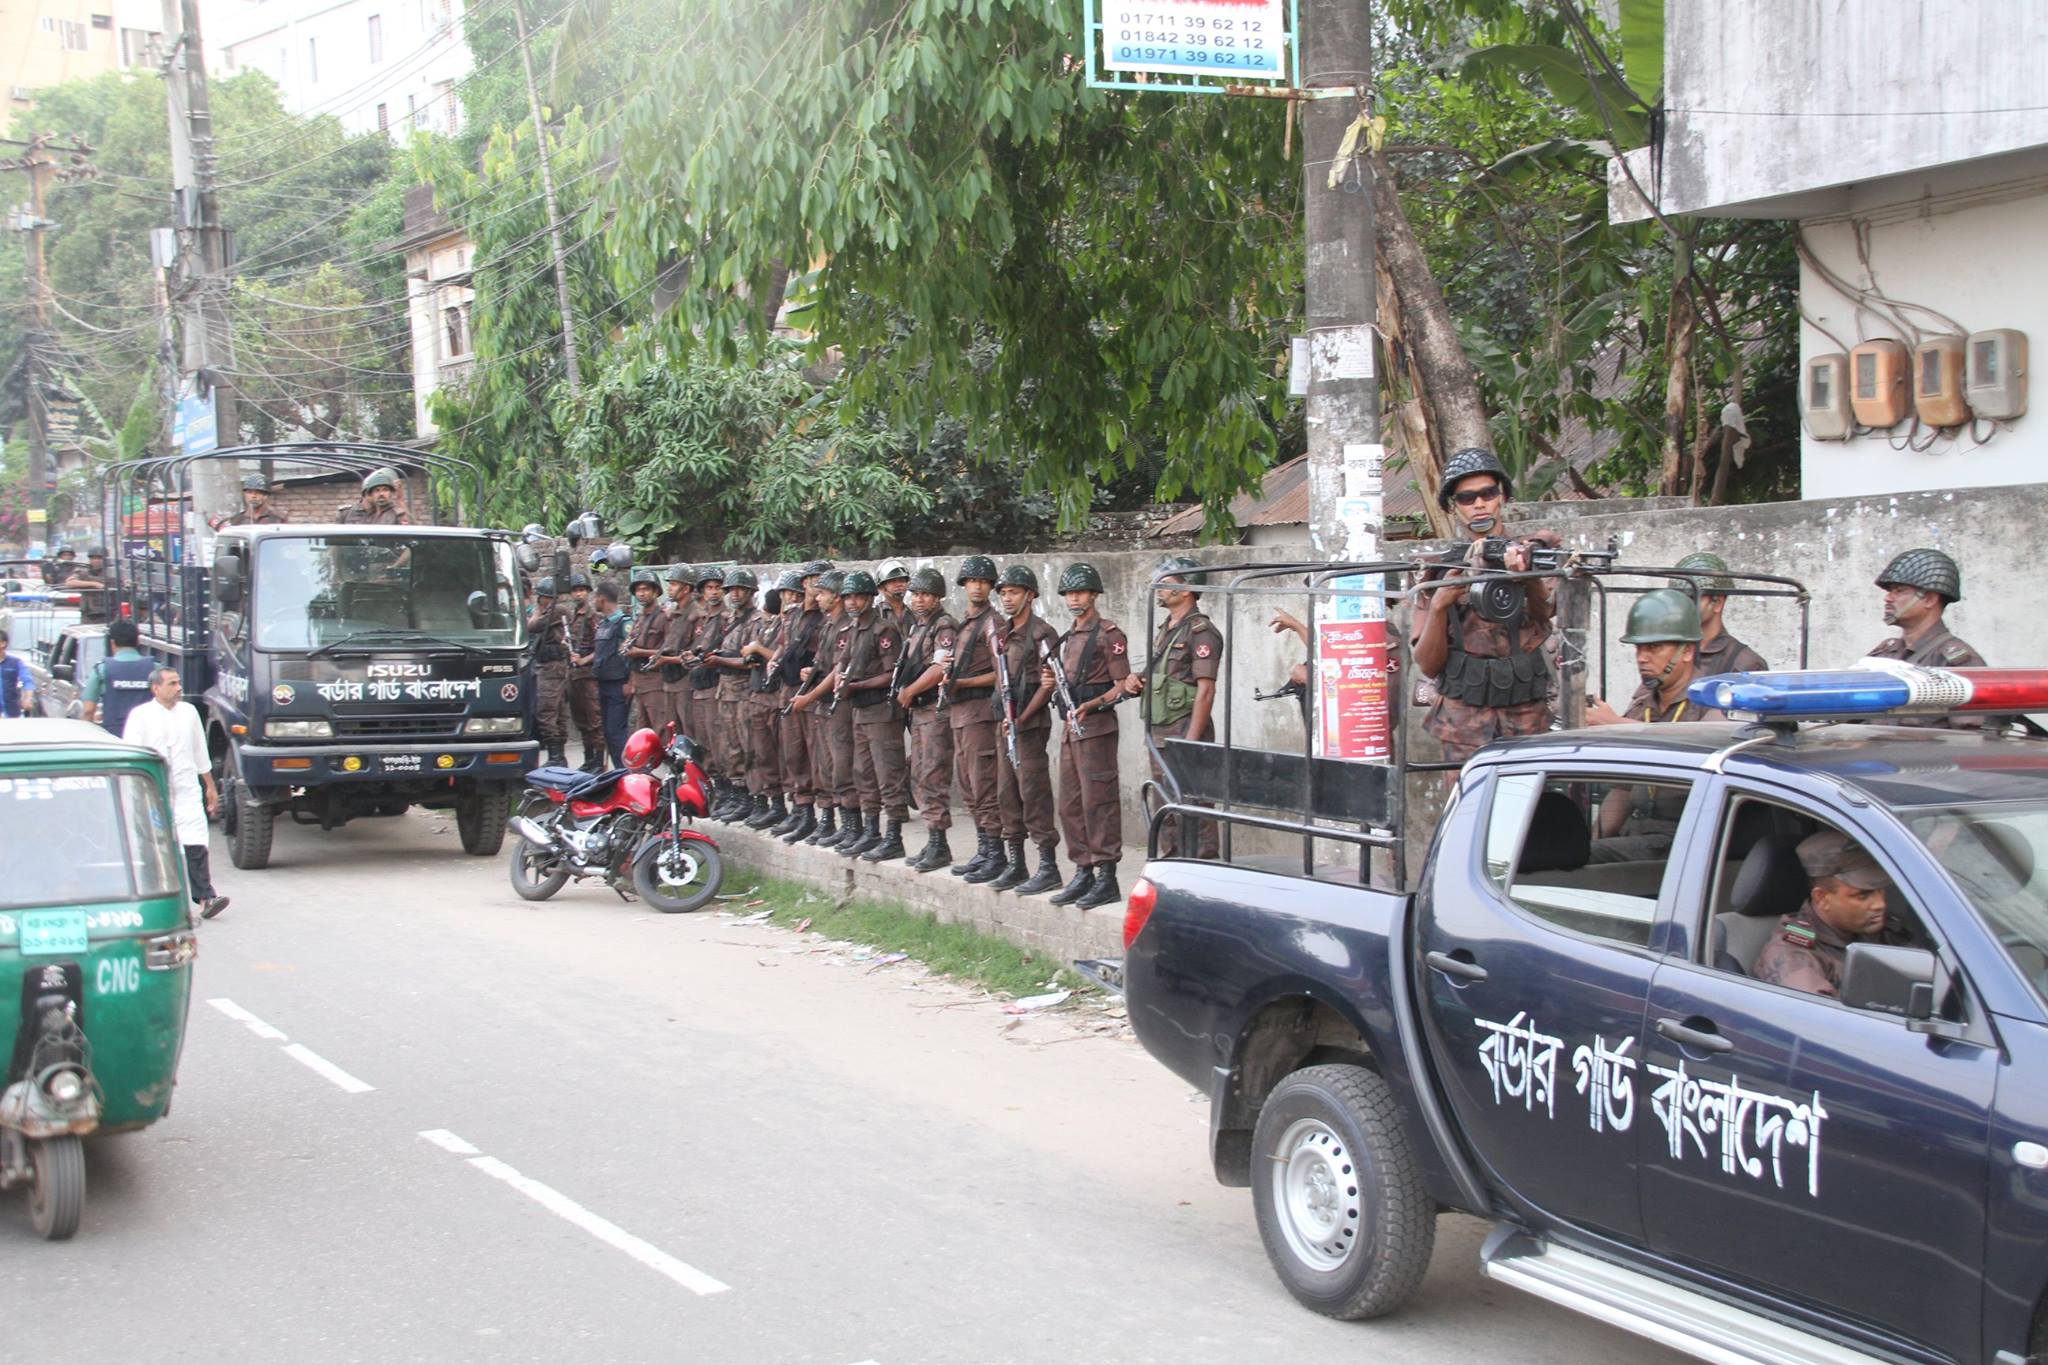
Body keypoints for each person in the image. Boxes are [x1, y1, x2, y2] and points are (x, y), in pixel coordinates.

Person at [1409, 447, 1561, 764]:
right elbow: (1427, 664)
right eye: (1467, 498)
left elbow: (1545, 613)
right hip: (1462, 725)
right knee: (1468, 796)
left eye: (1487, 494)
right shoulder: (1441, 571)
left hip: (1526, 717)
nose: (1479, 504)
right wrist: (1439, 606)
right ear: (1453, 507)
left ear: (1501, 496)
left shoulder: (1532, 555)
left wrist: (1527, 577)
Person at [1587, 590, 1728, 859]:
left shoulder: (1711, 701)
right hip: (1640, 837)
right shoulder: (1643, 705)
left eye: (1654, 648)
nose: (1642, 658)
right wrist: (1591, 842)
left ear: (1687, 651)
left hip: (1686, 841)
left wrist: (1619, 727)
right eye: (1639, 648)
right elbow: (1623, 787)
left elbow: (1700, 751)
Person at [1123, 556, 1223, 859]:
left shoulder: (1201, 631)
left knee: (1194, 803)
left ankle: (1203, 866)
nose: (1160, 587)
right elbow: (1162, 674)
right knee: (1165, 803)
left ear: (1187, 589)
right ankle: (1170, 863)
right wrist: (1135, 679)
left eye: (1167, 583)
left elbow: (1206, 689)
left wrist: (1190, 743)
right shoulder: (1167, 629)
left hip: (1185, 730)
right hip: (1160, 733)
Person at [1048, 562, 1131, 910]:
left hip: (1096, 728)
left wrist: (1092, 704)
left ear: (1094, 594)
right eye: (1069, 593)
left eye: (1080, 592)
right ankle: (1083, 871)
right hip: (1071, 728)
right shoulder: (1068, 637)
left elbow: (1123, 686)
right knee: (1070, 804)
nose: (1074, 599)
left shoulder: (1109, 635)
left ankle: (1106, 877)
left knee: (1099, 802)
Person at [122, 667, 228, 920]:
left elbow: (200, 751)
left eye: (179, 682)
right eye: (172, 683)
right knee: (156, 845)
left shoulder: (188, 713)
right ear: (156, 688)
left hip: (186, 788)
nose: (179, 688)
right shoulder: (140, 716)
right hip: (153, 792)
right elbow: (131, 757)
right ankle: (156, 900)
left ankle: (206, 897)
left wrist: (210, 786)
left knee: (196, 841)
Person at [985, 565, 1062, 892]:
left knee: (1034, 793)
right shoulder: (1001, 634)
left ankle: (1048, 866)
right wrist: (1007, 718)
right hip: (1005, 723)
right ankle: (1016, 863)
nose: (1007, 598)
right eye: (1003, 593)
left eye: (1013, 592)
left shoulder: (1042, 633)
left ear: (1030, 595)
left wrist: (1022, 718)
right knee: (1006, 793)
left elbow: (1049, 683)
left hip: (1029, 727)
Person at [1751, 831, 1897, 998]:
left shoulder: (1883, 929)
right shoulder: (1793, 956)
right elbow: (1817, 1012)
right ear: (1822, 898)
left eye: (1880, 890)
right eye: (1863, 896)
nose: (1880, 904)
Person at [835, 569, 912, 861]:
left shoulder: (883, 630)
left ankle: (894, 836)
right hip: (860, 712)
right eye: (848, 597)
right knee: (863, 774)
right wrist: (841, 680)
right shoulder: (852, 630)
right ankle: (871, 832)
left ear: (870, 598)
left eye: (858, 597)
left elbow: (893, 674)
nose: (852, 602)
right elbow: (842, 664)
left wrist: (857, 685)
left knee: (888, 776)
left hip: (881, 712)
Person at [1867, 549, 1987, 730]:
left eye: (1899, 591)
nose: (1888, 598)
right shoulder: (1883, 654)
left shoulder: (1957, 663)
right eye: (1890, 591)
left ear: (1929, 599)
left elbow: (1971, 738)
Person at [941, 555, 1004, 879]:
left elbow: (1001, 672)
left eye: (983, 582)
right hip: (960, 714)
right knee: (968, 787)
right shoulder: (966, 622)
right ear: (964, 585)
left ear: (991, 586)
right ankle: (984, 849)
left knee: (984, 786)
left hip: (980, 715)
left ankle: (996, 854)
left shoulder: (993, 623)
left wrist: (963, 683)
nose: (977, 587)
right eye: (972, 581)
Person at [894, 567, 960, 872]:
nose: (919, 600)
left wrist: (910, 691)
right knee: (920, 774)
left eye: (926, 595)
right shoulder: (917, 627)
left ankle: (939, 844)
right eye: (916, 594)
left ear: (938, 597)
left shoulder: (943, 626)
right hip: (920, 712)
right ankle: (934, 841)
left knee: (933, 775)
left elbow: (940, 668)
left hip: (936, 710)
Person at [793, 571, 862, 850]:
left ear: (836, 596)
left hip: (838, 704)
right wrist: (809, 674)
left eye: (822, 593)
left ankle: (853, 826)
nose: (817, 597)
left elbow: (838, 671)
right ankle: (835, 821)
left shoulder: (847, 627)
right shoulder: (829, 625)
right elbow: (823, 665)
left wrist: (809, 696)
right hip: (824, 705)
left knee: (842, 766)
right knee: (827, 765)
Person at [772, 561, 831, 843]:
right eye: (813, 579)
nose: (817, 585)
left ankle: (825, 814)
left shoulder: (828, 617)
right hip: (790, 688)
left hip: (814, 693)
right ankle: (802, 809)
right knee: (793, 754)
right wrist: (774, 659)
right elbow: (783, 644)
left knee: (818, 757)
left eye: (823, 580)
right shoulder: (794, 615)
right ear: (804, 582)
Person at [740, 570, 798, 830]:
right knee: (762, 755)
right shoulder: (775, 624)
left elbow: (780, 655)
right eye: (784, 594)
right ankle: (775, 805)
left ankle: (795, 809)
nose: (788, 599)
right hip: (759, 696)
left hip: (777, 698)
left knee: (786, 757)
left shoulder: (794, 625)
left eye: (793, 594)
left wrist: (757, 649)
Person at [707, 568, 763, 821]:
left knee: (749, 747)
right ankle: (738, 795)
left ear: (751, 592)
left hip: (745, 693)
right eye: (732, 590)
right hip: (726, 692)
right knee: (730, 748)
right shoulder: (729, 620)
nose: (736, 594)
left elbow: (752, 661)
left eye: (741, 589)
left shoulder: (757, 621)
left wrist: (720, 660)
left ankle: (755, 798)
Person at [1667, 552, 1767, 677]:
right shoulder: (1665, 652)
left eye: (1691, 598)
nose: (1682, 606)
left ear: (1718, 602)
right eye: (1678, 598)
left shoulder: (1744, 664)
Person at [81, 618, 156, 734]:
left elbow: (88, 710)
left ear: (112, 643)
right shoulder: (155, 668)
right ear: (138, 641)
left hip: (114, 738)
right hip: (148, 736)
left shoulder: (101, 670)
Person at [526, 576, 572, 768]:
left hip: (552, 667)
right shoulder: (552, 611)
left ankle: (556, 756)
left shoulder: (557, 610)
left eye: (542, 597)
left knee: (546, 710)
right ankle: (558, 756)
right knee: (555, 712)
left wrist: (537, 610)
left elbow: (532, 626)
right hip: (549, 666)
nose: (540, 600)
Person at [564, 572, 606, 770]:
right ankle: (588, 759)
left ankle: (598, 761)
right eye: (575, 591)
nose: (578, 594)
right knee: (580, 720)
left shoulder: (593, 616)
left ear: (588, 592)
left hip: (589, 676)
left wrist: (583, 660)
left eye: (581, 590)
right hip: (574, 676)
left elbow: (601, 648)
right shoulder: (572, 616)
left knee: (594, 720)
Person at [589, 582, 632, 767]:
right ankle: (618, 772)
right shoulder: (603, 624)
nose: (593, 601)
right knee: (608, 732)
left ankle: (625, 771)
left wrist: (630, 682)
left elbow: (630, 654)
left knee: (616, 732)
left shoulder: (624, 622)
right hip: (603, 683)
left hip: (618, 684)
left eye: (595, 597)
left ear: (602, 599)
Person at [623, 569, 668, 734]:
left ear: (656, 592)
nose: (641, 594)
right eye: (638, 590)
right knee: (642, 731)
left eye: (646, 589)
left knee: (660, 729)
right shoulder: (639, 618)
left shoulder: (664, 617)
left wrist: (639, 652)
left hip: (656, 681)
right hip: (639, 681)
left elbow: (668, 651)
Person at [340, 468, 412, 525]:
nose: (381, 494)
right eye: (377, 490)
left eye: (385, 490)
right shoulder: (370, 515)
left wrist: (400, 501)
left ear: (391, 493)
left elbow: (410, 529)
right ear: (370, 494)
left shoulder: (396, 513)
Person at [224, 473, 289, 527]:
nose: (253, 496)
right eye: (249, 492)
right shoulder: (235, 521)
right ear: (245, 494)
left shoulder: (278, 521)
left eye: (258, 492)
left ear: (266, 495)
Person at [0, 631, 35, 718]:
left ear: (3, 643)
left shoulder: (15, 662)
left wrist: (27, 699)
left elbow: (28, 681)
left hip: (12, 712)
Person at [876, 560, 912, 626]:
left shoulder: (914, 614)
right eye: (893, 581)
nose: (899, 584)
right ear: (881, 587)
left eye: (902, 580)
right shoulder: (875, 614)